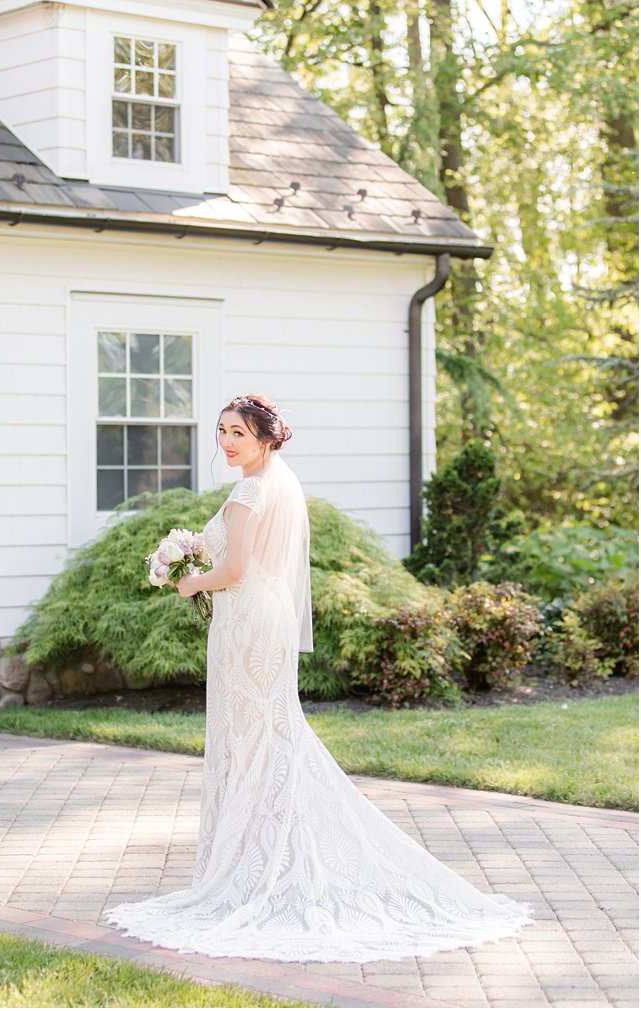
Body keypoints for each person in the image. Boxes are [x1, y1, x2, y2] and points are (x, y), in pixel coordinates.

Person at [104, 393, 531, 961]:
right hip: (269, 614)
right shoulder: (284, 481)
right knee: (270, 733)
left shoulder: (248, 490)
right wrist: (185, 551)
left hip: (246, 620)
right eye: (222, 431)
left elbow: (233, 569)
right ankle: (267, 854)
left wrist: (188, 581)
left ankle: (254, 865)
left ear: (264, 437)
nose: (226, 442)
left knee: (249, 737)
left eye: (237, 433)